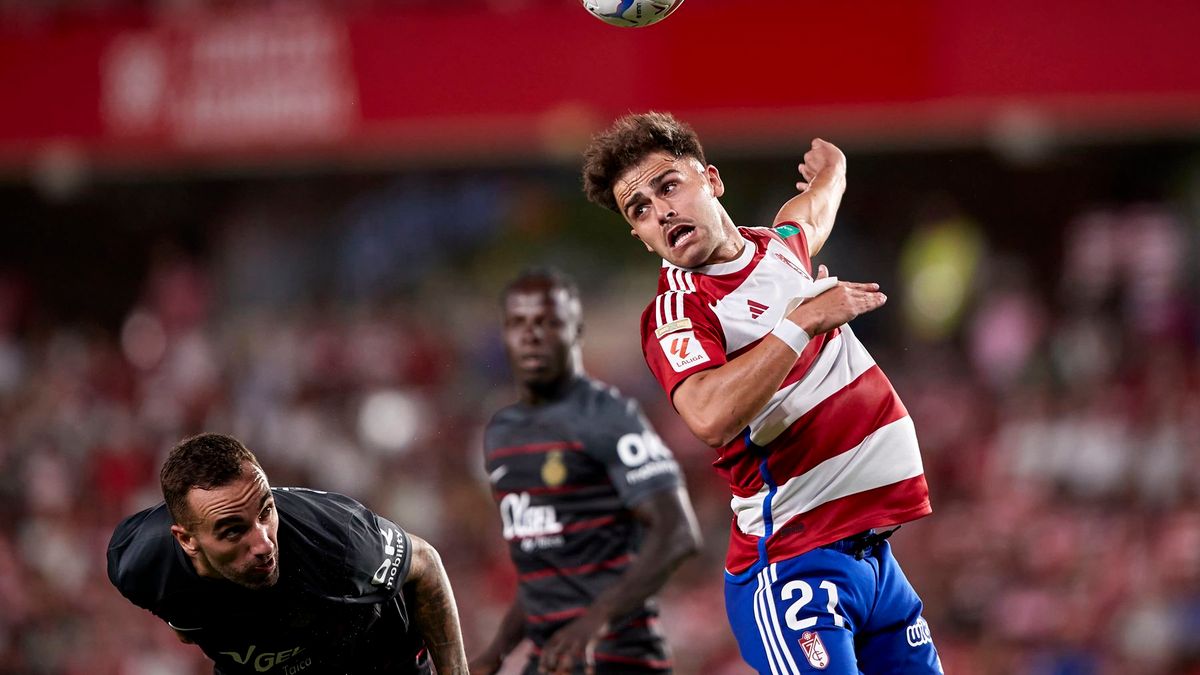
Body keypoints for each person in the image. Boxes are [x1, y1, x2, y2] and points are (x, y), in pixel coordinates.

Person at [580, 112, 942, 674]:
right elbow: (706, 414)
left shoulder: (777, 249)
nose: (661, 211)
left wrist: (835, 170)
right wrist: (800, 322)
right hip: (794, 567)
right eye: (640, 209)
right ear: (640, 235)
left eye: (668, 185)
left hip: (874, 564)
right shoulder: (679, 310)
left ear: (712, 180)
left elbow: (811, 214)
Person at [470, 269, 702, 675]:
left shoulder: (608, 417)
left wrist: (593, 623)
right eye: (518, 323)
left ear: (576, 330)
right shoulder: (502, 434)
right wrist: (498, 651)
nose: (532, 335)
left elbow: (678, 531)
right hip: (551, 660)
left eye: (548, 322)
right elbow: (544, 569)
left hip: (620, 658)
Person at [107, 432, 469, 674]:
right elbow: (185, 625)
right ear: (186, 541)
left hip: (376, 659)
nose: (264, 543)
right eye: (234, 531)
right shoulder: (139, 564)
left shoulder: (336, 539)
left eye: (266, 512)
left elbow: (426, 564)